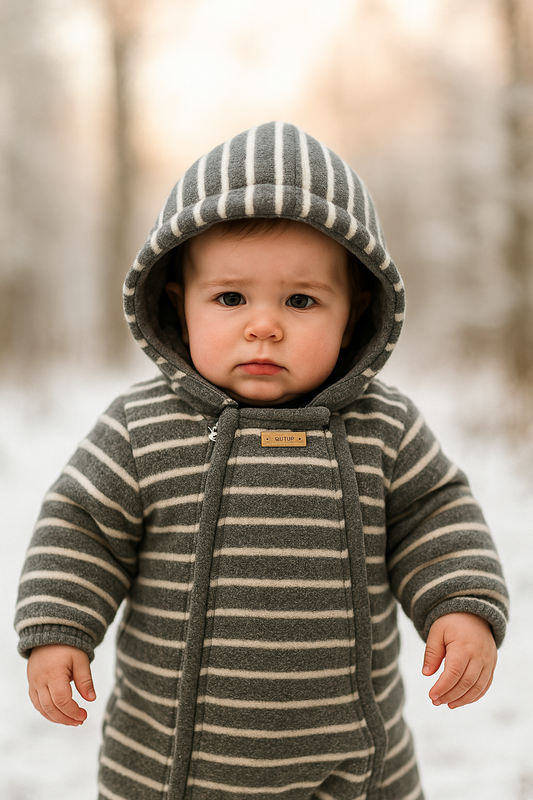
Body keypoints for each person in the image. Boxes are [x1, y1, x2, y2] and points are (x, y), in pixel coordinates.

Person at [15, 121, 509, 800]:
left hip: (356, 767)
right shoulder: (141, 428)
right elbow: (79, 528)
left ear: (355, 310)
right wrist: (59, 626)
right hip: (169, 769)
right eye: (229, 297)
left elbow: (436, 512)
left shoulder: (383, 428)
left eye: (300, 300)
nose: (263, 325)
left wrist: (460, 602)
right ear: (176, 302)